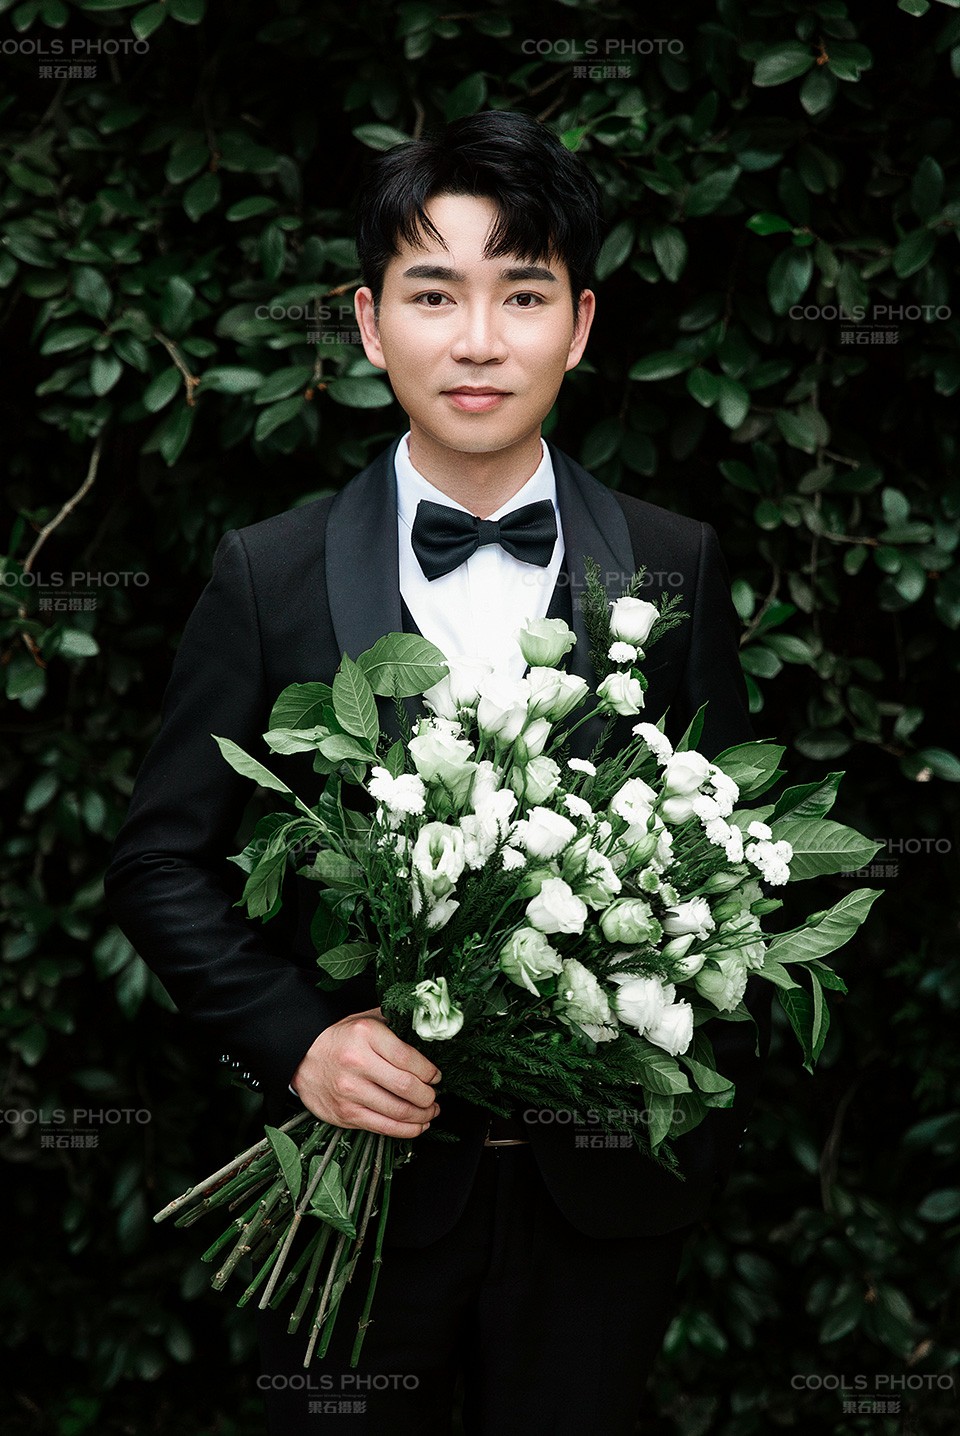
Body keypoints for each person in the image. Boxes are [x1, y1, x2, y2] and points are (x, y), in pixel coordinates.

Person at [103, 109, 771, 1435]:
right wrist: (300, 1041)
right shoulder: (270, 573)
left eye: (521, 294)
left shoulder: (674, 560)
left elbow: (733, 854)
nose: (477, 340)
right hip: (355, 1197)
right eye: (433, 294)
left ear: (579, 325)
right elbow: (159, 863)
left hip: (601, 1208)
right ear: (369, 324)